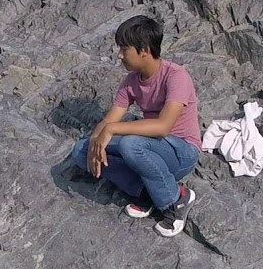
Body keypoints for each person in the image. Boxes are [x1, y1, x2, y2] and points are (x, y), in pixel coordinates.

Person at [68, 14, 201, 237]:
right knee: (81, 151)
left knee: (131, 145)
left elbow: (163, 127)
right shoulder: (131, 81)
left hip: (181, 152)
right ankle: (147, 192)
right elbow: (110, 119)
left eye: (124, 49)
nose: (119, 55)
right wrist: (95, 140)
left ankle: (176, 199)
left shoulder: (176, 77)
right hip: (151, 147)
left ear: (144, 50)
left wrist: (110, 131)